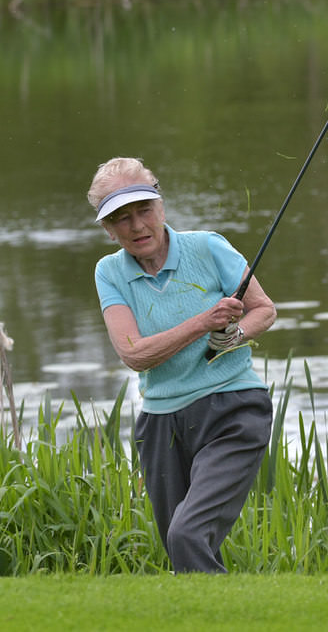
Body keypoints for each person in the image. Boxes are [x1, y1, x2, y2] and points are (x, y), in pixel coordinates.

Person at [87, 157, 276, 574]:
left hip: (232, 409)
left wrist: (235, 334)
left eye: (143, 210)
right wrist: (203, 323)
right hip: (161, 424)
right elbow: (133, 352)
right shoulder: (109, 272)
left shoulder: (208, 247)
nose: (136, 226)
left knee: (187, 534)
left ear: (161, 205)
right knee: (183, 549)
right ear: (107, 228)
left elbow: (262, 310)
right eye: (120, 218)